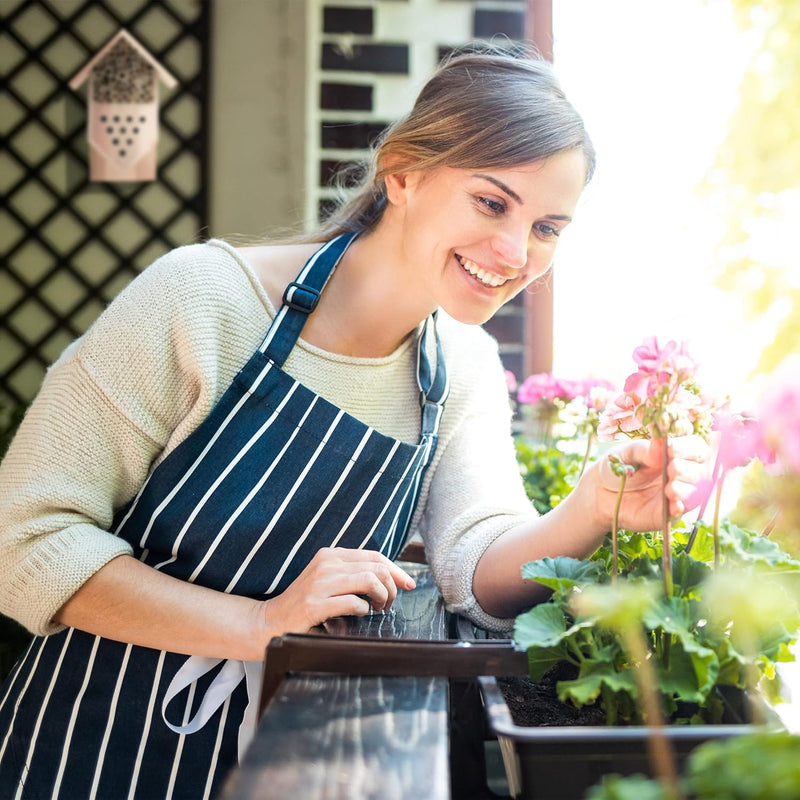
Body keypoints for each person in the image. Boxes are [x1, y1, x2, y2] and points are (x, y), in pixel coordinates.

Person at [0, 49, 708, 798]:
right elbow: (24, 537)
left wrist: (595, 508)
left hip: (301, 765)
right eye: (492, 203)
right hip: (88, 750)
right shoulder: (205, 300)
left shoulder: (460, 364)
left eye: (547, 227)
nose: (515, 253)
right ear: (401, 174)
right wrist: (259, 623)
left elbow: (475, 571)